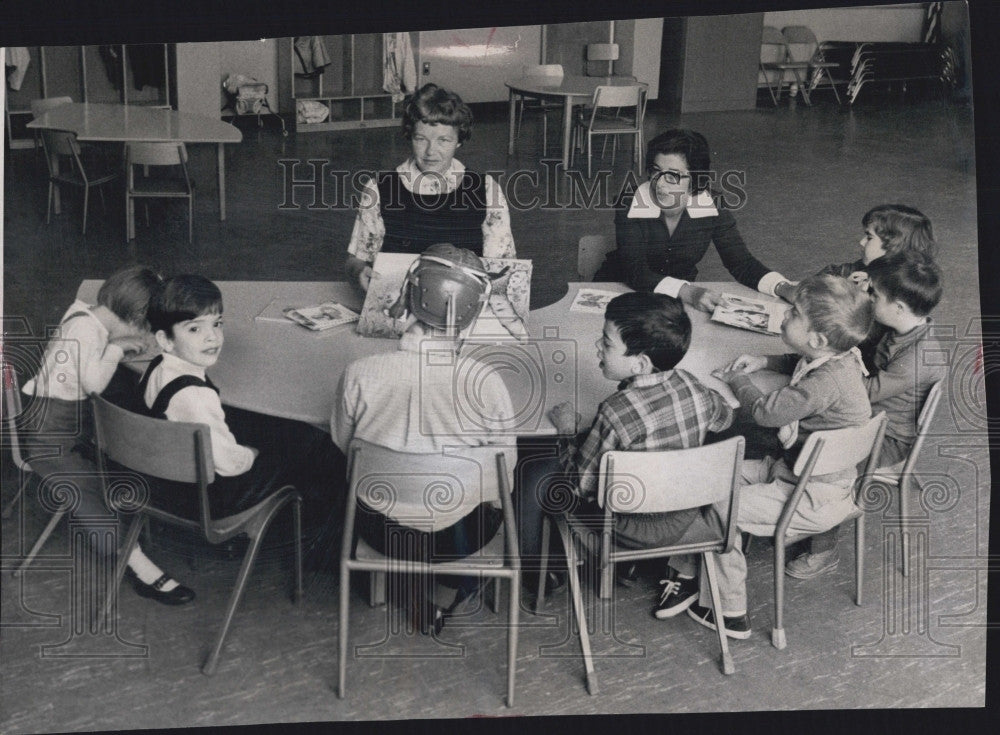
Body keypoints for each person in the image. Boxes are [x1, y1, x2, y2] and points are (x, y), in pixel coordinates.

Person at [657, 274, 873, 639]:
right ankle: (689, 571)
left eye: (793, 315)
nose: (784, 317)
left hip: (810, 495)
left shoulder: (822, 384)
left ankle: (728, 612)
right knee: (707, 475)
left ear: (818, 338)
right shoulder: (841, 358)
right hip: (799, 473)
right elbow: (802, 362)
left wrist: (736, 380)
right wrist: (766, 360)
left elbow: (765, 412)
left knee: (723, 508)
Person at [331, 244, 518, 634]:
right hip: (464, 539)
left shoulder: (360, 373)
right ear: (471, 316)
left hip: (381, 534)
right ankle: (450, 591)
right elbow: (506, 472)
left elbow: (343, 447)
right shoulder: (487, 382)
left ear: (408, 298)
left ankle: (406, 586)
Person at [515, 291, 735, 600]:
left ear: (641, 364)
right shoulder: (691, 384)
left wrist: (566, 431)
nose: (598, 347)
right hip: (683, 514)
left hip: (627, 527)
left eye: (606, 343)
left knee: (532, 467)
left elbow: (579, 486)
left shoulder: (614, 411)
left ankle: (537, 570)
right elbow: (723, 418)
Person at [21, 266, 195, 605]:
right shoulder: (88, 332)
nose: (144, 333)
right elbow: (93, 383)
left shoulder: (85, 314)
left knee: (122, 437)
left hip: (60, 422)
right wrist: (115, 351)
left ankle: (140, 507)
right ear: (133, 316)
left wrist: (118, 345)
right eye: (145, 326)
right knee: (90, 494)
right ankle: (138, 564)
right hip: (48, 441)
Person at [140, 275, 341, 563]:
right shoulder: (195, 396)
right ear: (165, 339)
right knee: (312, 446)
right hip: (214, 500)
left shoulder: (159, 365)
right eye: (195, 328)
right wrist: (252, 453)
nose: (212, 337)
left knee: (275, 430)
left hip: (168, 482)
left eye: (217, 323)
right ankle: (320, 542)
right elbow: (231, 465)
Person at [786, 252, 946, 578]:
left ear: (898, 307)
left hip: (886, 439)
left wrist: (827, 371)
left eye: (874, 295)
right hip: (874, 418)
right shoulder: (902, 328)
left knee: (827, 458)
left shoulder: (919, 357)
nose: (868, 298)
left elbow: (866, 392)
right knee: (804, 425)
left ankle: (824, 549)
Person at [594, 128, 794, 313]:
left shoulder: (712, 205)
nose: (660, 184)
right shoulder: (630, 202)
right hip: (617, 290)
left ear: (696, 179)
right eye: (656, 170)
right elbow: (635, 271)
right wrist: (687, 292)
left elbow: (741, 263)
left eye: (673, 175)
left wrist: (784, 288)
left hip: (673, 301)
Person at [343, 83, 516, 291]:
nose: (430, 151)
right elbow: (355, 261)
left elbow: (504, 267)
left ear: (459, 140)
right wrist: (359, 272)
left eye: (443, 140)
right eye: (421, 139)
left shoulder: (487, 190)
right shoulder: (379, 189)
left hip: (463, 307)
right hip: (398, 304)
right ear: (410, 136)